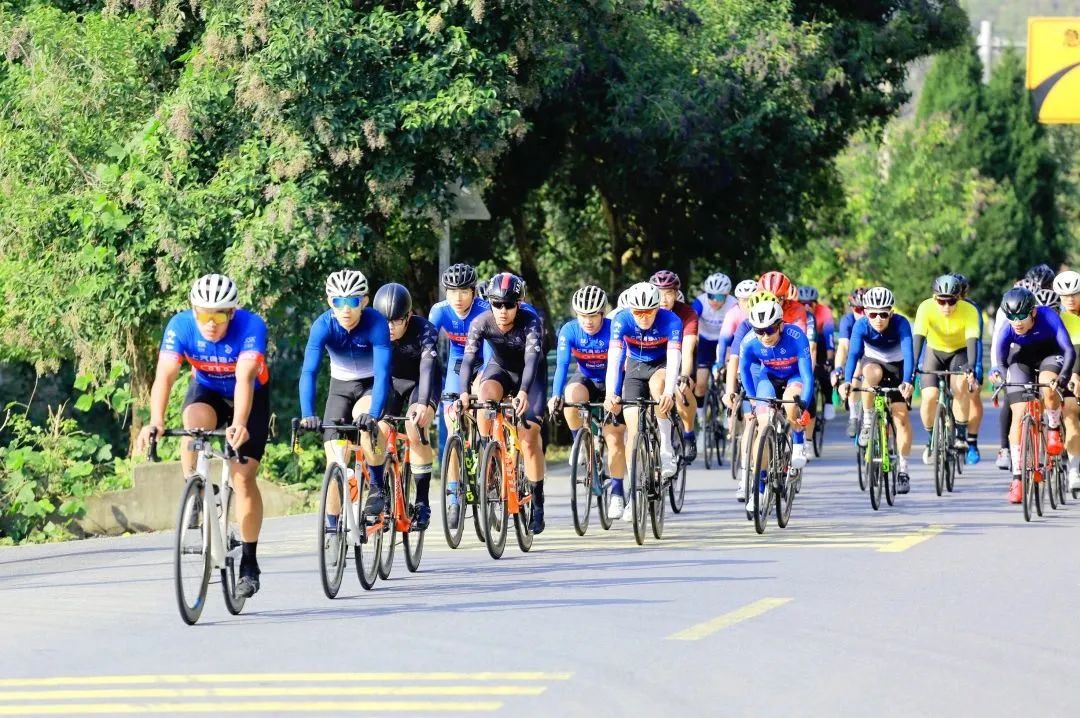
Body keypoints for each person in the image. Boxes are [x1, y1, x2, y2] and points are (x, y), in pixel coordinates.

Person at [136, 274, 271, 599]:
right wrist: (155, 421)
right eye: (204, 315)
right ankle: (195, 487)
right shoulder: (181, 326)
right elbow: (165, 377)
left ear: (232, 313)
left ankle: (249, 562)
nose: (211, 324)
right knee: (193, 423)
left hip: (249, 395)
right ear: (193, 310)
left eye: (219, 316)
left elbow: (244, 379)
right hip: (207, 390)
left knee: (242, 477)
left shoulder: (251, 326)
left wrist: (239, 423)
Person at [458, 273, 548, 534]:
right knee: (485, 398)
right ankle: (490, 455)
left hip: (531, 377)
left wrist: (524, 392)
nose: (502, 310)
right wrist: (463, 393)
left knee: (528, 438)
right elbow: (468, 359)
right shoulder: (481, 322)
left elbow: (531, 361)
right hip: (500, 370)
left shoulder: (531, 322)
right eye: (496, 304)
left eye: (508, 305)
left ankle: (538, 502)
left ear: (518, 304)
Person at [299, 270, 393, 517]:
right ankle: (331, 528)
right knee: (335, 461)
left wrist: (373, 414)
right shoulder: (322, 325)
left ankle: (377, 486)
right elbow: (309, 372)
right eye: (338, 302)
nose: (345, 309)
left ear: (364, 301)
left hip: (371, 385)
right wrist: (307, 414)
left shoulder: (376, 323)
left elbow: (383, 373)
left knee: (365, 422)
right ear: (330, 302)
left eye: (352, 301)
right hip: (340, 388)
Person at [989, 286, 1077, 503]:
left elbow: (1068, 351)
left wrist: (1063, 377)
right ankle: (1018, 478)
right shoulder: (1008, 328)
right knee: (1018, 415)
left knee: (1048, 386)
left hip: (1051, 355)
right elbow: (1001, 362)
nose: (1017, 322)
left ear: (1033, 312)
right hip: (1021, 360)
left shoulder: (1048, 317)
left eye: (1021, 316)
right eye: (1012, 317)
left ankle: (1053, 428)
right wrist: (1002, 378)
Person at [549, 285, 628, 517]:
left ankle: (617, 493)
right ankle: (580, 444)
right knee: (570, 397)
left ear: (603, 313)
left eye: (593, 315)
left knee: (614, 437)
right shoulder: (569, 330)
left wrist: (614, 395)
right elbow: (563, 365)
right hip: (585, 378)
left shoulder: (614, 329)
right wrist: (555, 395)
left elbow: (620, 365)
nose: (588, 321)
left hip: (612, 381)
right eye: (583, 315)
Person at [603, 282, 683, 508]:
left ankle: (666, 448)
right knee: (633, 430)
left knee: (659, 388)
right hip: (635, 367)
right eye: (638, 312)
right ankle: (634, 493)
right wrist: (610, 393)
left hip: (662, 364)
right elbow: (614, 360)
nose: (644, 317)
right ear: (631, 310)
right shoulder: (622, 320)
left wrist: (669, 391)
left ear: (657, 308)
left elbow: (675, 359)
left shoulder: (671, 320)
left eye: (649, 312)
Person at [734, 295, 813, 511]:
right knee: (763, 427)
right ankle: (759, 490)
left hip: (794, 376)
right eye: (759, 331)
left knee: (791, 404)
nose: (765, 336)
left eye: (770, 330)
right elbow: (745, 372)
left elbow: (807, 376)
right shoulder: (749, 342)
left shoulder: (796, 337)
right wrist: (753, 401)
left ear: (780, 325)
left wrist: (804, 405)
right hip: (768, 378)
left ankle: (798, 442)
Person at [371, 283, 440, 530]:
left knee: (414, 426)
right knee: (377, 429)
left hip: (422, 383)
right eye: (385, 321)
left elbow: (427, 368)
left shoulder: (425, 330)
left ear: (408, 316)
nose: (389, 327)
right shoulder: (372, 328)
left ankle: (422, 501)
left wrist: (422, 404)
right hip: (390, 383)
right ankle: (381, 494)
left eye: (396, 321)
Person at [837, 287, 915, 493]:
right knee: (870, 374)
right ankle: (868, 420)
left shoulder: (901, 324)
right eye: (873, 314)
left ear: (891, 312)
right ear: (865, 313)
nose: (878, 319)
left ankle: (903, 469)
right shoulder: (861, 325)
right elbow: (853, 355)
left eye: (883, 314)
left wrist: (907, 381)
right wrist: (846, 381)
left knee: (901, 418)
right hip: (873, 363)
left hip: (898, 367)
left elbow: (909, 355)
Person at [912, 274, 979, 464]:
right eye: (941, 301)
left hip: (959, 352)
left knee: (960, 387)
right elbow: (918, 338)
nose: (946, 306)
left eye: (951, 301)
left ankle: (960, 434)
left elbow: (972, 340)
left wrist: (971, 366)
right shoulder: (925, 308)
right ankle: (931, 439)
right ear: (935, 298)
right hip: (934, 352)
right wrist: (913, 366)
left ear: (959, 298)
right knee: (929, 396)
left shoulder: (969, 310)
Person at [429, 263, 489, 453]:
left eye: (463, 292)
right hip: (459, 360)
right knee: (451, 421)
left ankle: (488, 451)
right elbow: (427, 348)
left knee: (481, 397)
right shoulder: (439, 311)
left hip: (485, 358)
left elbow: (492, 350)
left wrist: (483, 376)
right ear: (446, 292)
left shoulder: (485, 309)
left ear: (473, 292)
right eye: (453, 292)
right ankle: (453, 473)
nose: (458, 298)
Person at [649, 270, 700, 465]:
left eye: (668, 293)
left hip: (678, 358)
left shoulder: (687, 314)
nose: (663, 299)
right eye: (659, 293)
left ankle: (688, 433)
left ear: (676, 294)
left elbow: (687, 349)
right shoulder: (647, 310)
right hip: (654, 359)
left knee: (682, 389)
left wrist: (684, 375)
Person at [691, 273, 737, 432]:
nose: (715, 301)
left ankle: (726, 411)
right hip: (705, 342)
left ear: (727, 295)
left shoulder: (733, 304)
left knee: (727, 378)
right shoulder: (700, 302)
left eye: (720, 297)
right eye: (711, 296)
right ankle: (702, 419)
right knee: (700, 384)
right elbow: (691, 322)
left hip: (726, 342)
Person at [1053, 270, 1080, 491]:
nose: (1070, 299)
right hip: (1067, 372)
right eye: (1065, 295)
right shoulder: (1057, 317)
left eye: (1075, 294)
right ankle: (1074, 471)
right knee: (1069, 412)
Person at [952, 274, 984, 464]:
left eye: (960, 292)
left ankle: (972, 441)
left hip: (968, 353)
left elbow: (977, 340)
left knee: (973, 393)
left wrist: (977, 367)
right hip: (945, 354)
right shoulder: (941, 307)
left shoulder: (972, 309)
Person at [834, 288, 866, 437]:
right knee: (854, 376)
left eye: (864, 309)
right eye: (858, 309)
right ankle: (853, 416)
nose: (862, 314)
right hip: (856, 355)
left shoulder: (875, 318)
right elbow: (843, 346)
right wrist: (838, 368)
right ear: (852, 308)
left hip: (874, 355)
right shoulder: (847, 321)